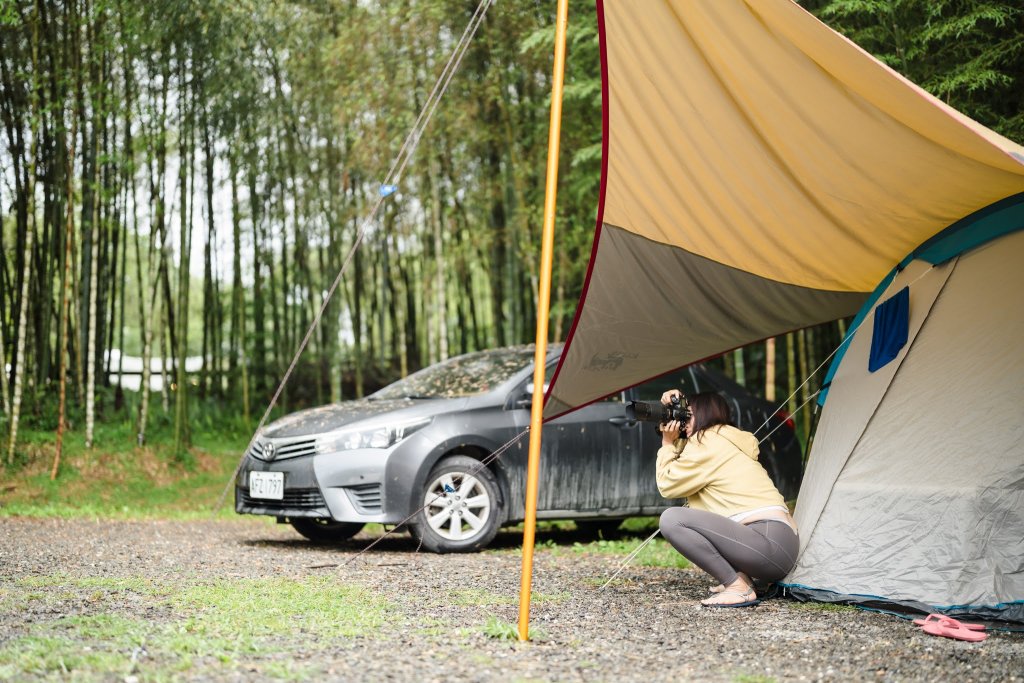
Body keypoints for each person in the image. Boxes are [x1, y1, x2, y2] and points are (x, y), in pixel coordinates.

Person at [656, 390, 798, 607]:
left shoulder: (707, 441)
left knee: (672, 519)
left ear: (704, 414)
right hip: (777, 544)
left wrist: (667, 443)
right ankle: (743, 579)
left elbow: (668, 483)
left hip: (768, 544)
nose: (681, 421)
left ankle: (738, 587)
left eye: (687, 415)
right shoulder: (725, 438)